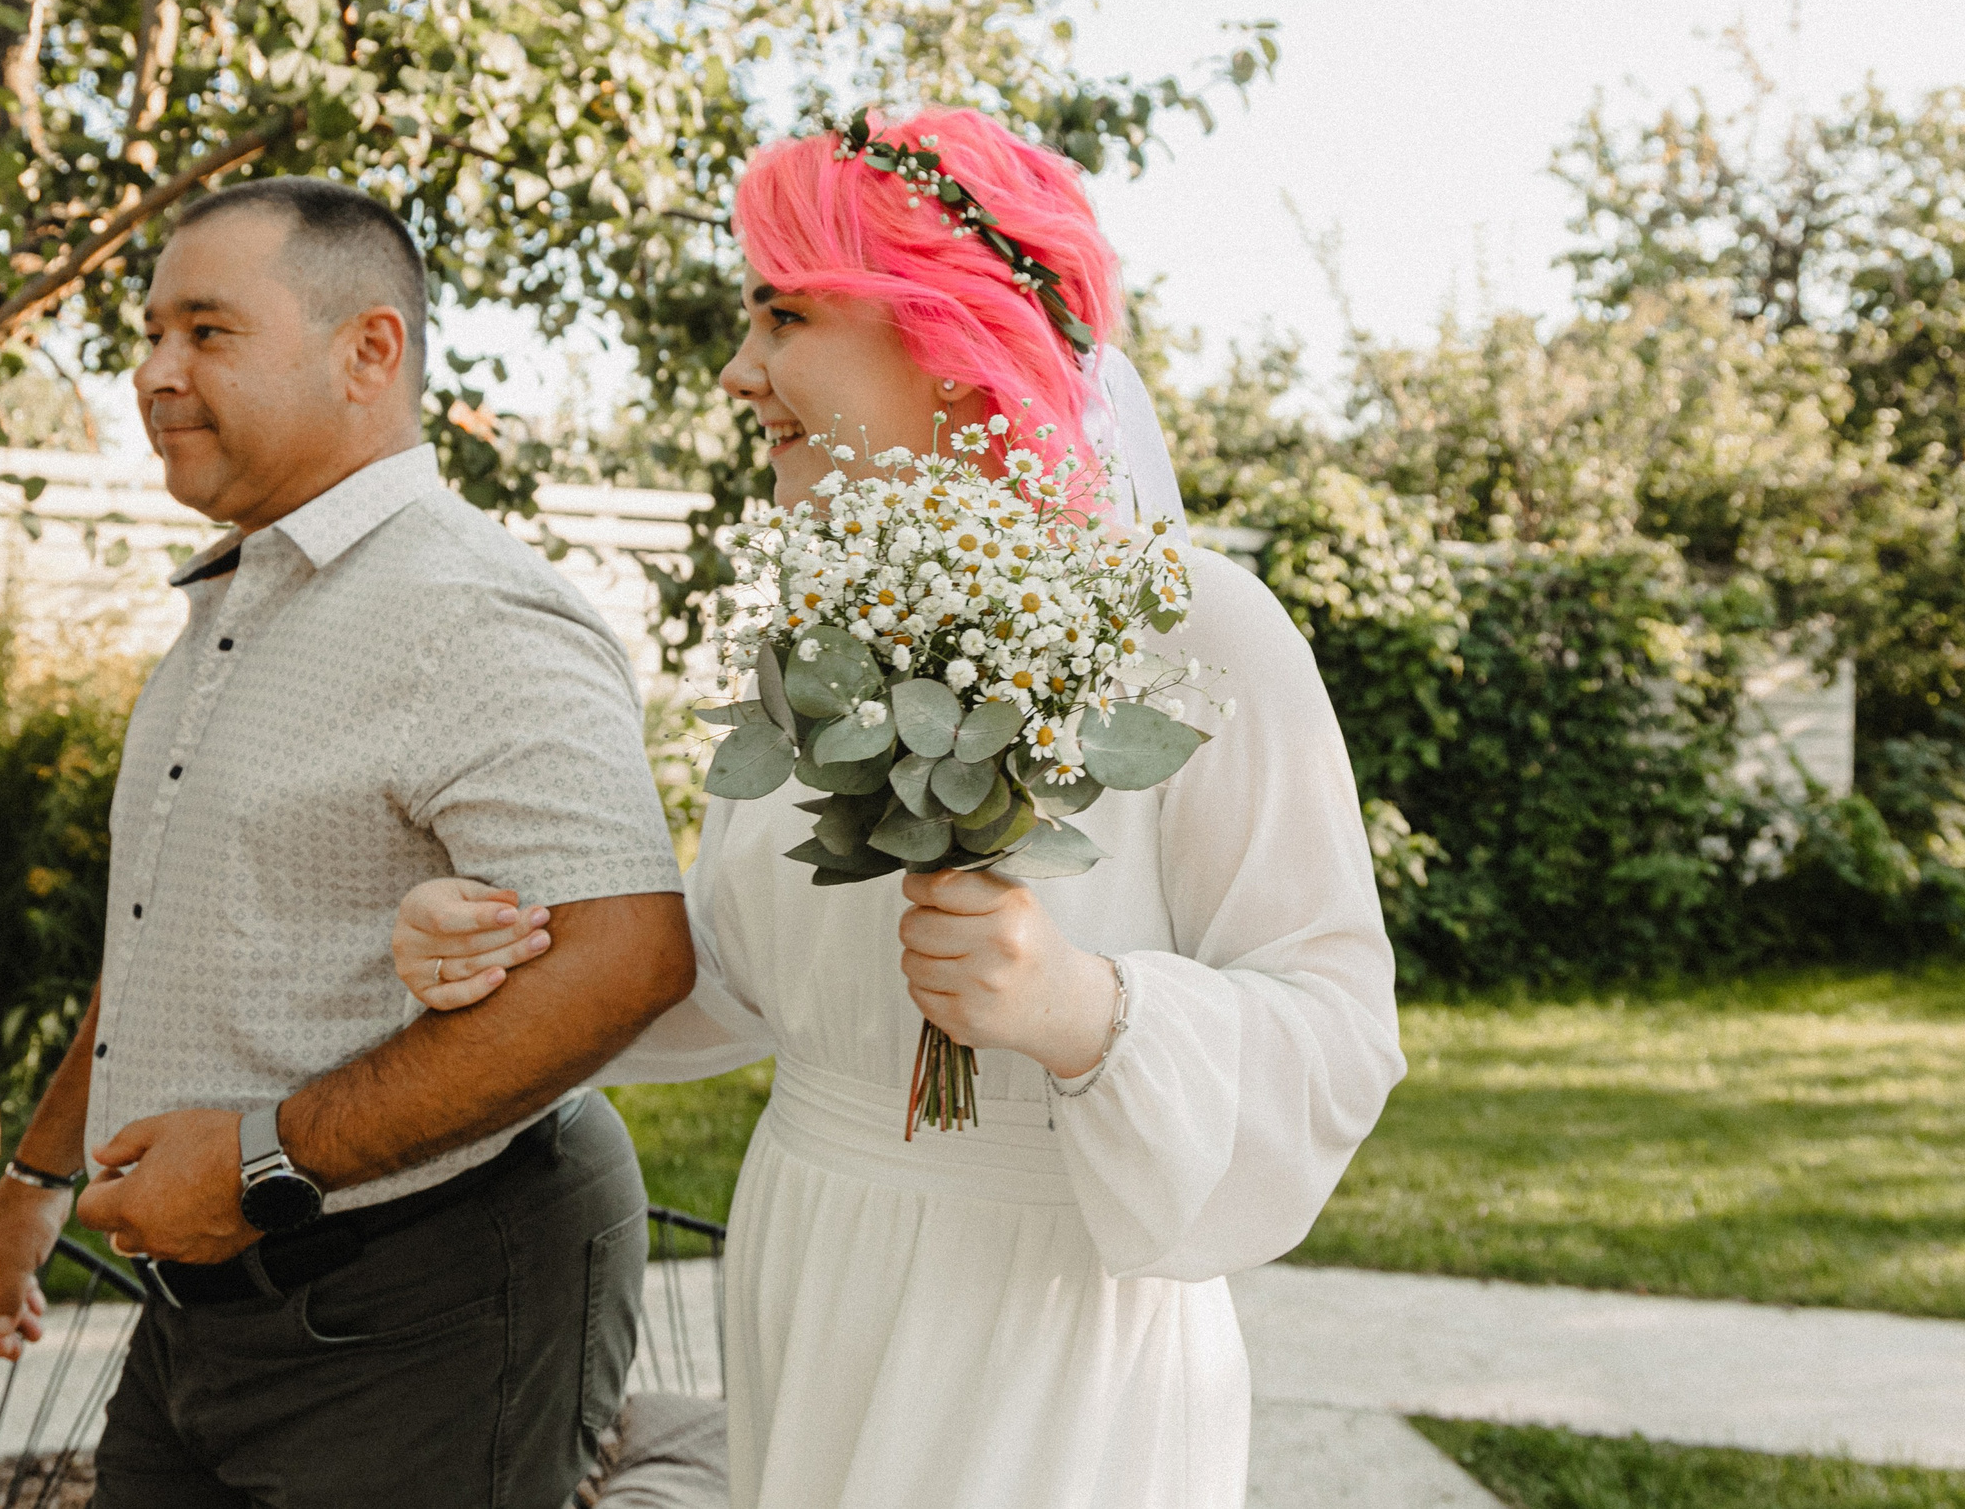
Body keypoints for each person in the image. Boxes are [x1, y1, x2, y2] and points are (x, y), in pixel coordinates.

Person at [390, 107, 1407, 1509]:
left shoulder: (1204, 634)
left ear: (948, 333)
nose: (741, 371)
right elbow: (746, 970)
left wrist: (1085, 1009)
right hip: (816, 1266)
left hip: (1049, 1327)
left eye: (784, 313)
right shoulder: (821, 637)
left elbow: (1340, 1027)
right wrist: (513, 954)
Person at [0, 176, 698, 1509]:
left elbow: (627, 957)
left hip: (430, 1298)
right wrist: (35, 1180)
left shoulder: (467, 608)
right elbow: (166, 939)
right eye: (149, 333)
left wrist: (258, 1161)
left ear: (369, 351)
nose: (153, 372)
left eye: (206, 331)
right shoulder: (240, 605)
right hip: (202, 1304)